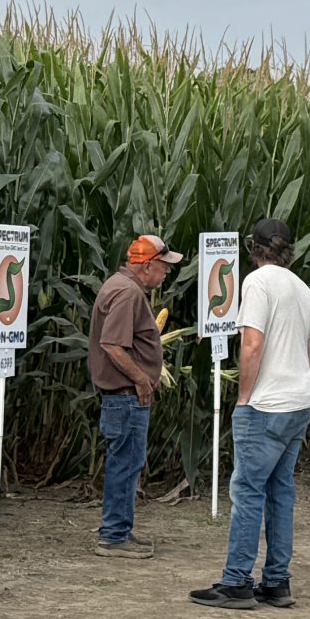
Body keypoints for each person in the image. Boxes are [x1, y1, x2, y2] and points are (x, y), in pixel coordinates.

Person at [190, 217, 310, 611]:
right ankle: (277, 582)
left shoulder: (257, 283)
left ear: (254, 248)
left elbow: (251, 344)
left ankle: (236, 582)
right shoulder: (302, 288)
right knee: (280, 491)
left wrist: (245, 396)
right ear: (288, 250)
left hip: (265, 405)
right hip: (300, 401)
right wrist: (296, 378)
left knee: (248, 491)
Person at [87, 234, 180, 556]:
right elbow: (112, 344)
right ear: (148, 265)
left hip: (123, 396)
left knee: (126, 462)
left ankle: (119, 530)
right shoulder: (127, 293)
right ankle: (114, 536)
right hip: (126, 396)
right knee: (125, 464)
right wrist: (141, 380)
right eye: (164, 266)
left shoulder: (122, 287)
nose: (167, 273)